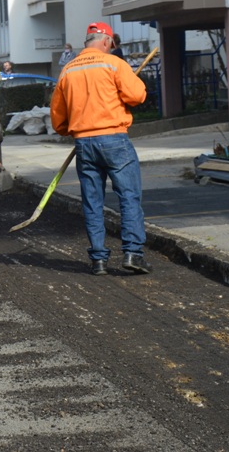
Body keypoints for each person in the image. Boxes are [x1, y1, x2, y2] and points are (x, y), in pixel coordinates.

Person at [49, 22, 152, 276]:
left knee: (92, 201)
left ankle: (99, 261)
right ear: (106, 42)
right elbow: (137, 96)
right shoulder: (114, 64)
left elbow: (58, 119)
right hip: (114, 139)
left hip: (84, 143)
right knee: (128, 196)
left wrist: (73, 129)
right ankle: (132, 254)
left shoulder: (68, 70)